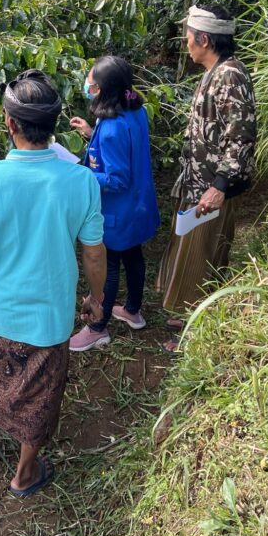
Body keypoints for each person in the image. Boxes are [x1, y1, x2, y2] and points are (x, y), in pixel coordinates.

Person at [0, 69, 107, 497]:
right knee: (41, 395)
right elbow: (93, 252)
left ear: (10, 123)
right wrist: (95, 298)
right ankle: (23, 474)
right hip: (50, 319)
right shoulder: (82, 182)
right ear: (53, 124)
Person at [156, 4, 256, 351]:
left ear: (204, 38)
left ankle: (194, 337)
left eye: (188, 38)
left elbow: (240, 134)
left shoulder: (230, 74)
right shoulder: (216, 71)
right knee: (191, 255)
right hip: (200, 184)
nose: (186, 45)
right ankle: (186, 319)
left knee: (203, 259)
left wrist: (220, 186)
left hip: (211, 189)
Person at [66, 55, 159, 352]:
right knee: (134, 256)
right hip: (138, 205)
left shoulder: (113, 126)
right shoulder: (135, 110)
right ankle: (133, 311)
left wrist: (83, 176)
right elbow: (125, 150)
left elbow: (117, 179)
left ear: (104, 88)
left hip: (118, 212)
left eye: (91, 83)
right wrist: (92, 135)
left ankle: (98, 327)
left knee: (109, 267)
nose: (88, 86)